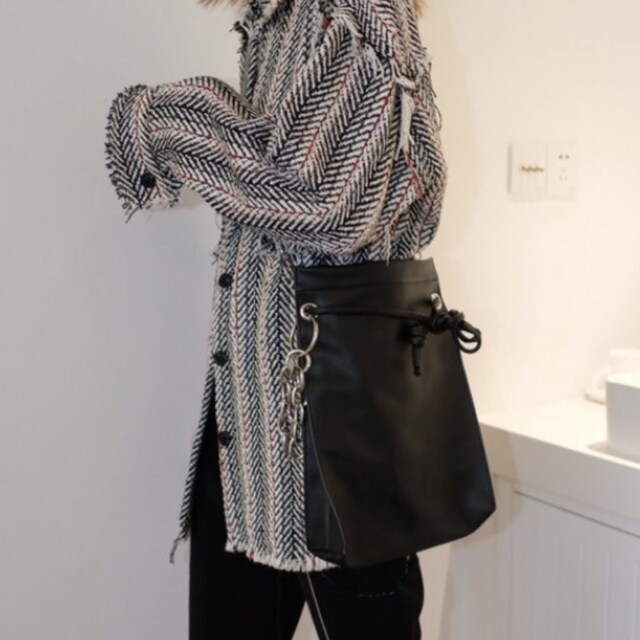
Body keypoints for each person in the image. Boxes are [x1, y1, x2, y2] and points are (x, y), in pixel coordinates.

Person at [103, 0, 447, 637]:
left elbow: (326, 204)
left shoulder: (355, 14)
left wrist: (159, 117)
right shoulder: (276, 22)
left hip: (336, 439)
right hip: (249, 431)